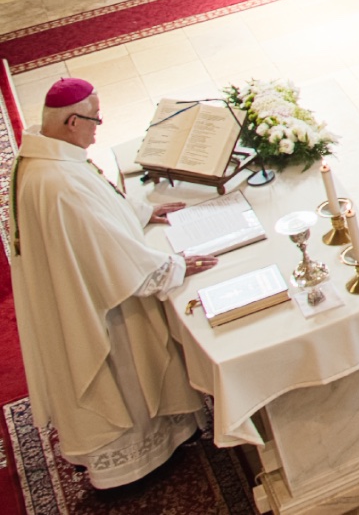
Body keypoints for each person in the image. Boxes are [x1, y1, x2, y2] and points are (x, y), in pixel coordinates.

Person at [13, 77, 222, 488]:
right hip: (99, 306)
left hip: (75, 287)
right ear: (72, 121)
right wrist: (171, 263)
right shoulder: (57, 182)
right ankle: (133, 465)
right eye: (95, 119)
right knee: (125, 369)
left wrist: (140, 212)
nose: (98, 127)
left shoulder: (46, 157)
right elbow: (107, 254)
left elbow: (96, 216)